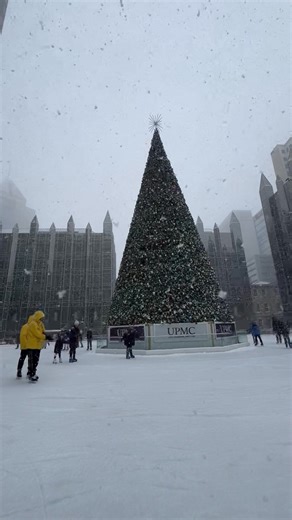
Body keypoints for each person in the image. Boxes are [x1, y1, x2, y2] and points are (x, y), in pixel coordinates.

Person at [26, 310, 50, 381]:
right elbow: (37, 334)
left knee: (35, 360)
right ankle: (31, 374)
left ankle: (32, 373)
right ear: (38, 317)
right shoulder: (33, 324)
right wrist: (45, 337)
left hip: (37, 345)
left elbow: (42, 331)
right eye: (41, 317)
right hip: (32, 345)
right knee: (32, 360)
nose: (43, 319)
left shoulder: (40, 324)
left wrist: (46, 335)